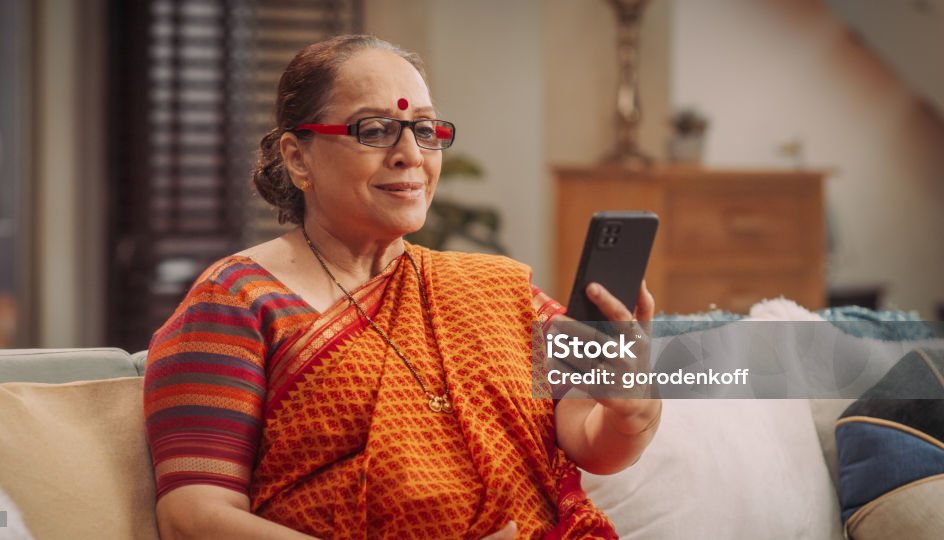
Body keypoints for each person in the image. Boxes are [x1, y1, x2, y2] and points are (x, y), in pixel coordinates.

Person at [144, 34, 661, 540]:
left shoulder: (497, 290)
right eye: (374, 130)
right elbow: (193, 518)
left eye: (425, 129)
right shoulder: (236, 300)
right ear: (299, 158)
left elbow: (591, 439)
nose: (411, 154)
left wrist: (633, 407)